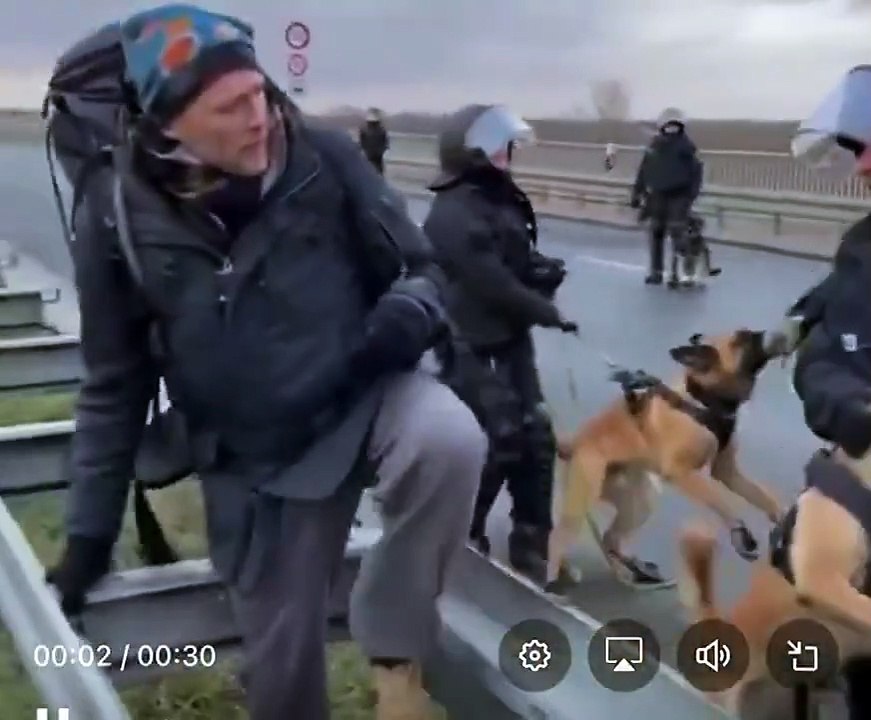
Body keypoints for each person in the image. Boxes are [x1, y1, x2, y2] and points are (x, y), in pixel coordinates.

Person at [43, 6, 487, 720]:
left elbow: (424, 267)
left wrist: (411, 309)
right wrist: (89, 534)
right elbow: (113, 384)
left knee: (450, 439)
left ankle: (392, 638)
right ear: (169, 125)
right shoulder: (115, 215)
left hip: (362, 396)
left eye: (260, 93)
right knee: (282, 681)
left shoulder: (323, 157)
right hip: (255, 458)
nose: (259, 118)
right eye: (230, 107)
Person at [422, 104, 579, 582]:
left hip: (510, 340)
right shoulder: (451, 212)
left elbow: (515, 261)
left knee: (537, 434)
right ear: (473, 152)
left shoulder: (504, 199)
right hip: (467, 342)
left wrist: (542, 272)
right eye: (497, 146)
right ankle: (462, 537)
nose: (506, 155)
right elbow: (490, 280)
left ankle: (533, 542)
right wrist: (546, 310)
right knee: (499, 437)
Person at [780, 64, 871, 720]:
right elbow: (822, 359)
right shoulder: (859, 251)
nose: (860, 169)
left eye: (867, 149)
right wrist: (854, 412)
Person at [630, 107, 703, 287]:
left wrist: (689, 197)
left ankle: (686, 271)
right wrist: (637, 193)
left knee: (678, 232)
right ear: (662, 127)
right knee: (656, 232)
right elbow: (644, 171)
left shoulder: (686, 148)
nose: (671, 130)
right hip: (657, 195)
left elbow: (696, 174)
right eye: (668, 126)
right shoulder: (655, 147)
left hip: (679, 195)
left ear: (681, 127)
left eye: (674, 126)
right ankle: (657, 272)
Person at [359, 107, 390, 175]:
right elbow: (361, 142)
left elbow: (385, 143)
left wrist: (381, 150)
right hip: (371, 155)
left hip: (373, 155)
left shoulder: (381, 130)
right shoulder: (381, 130)